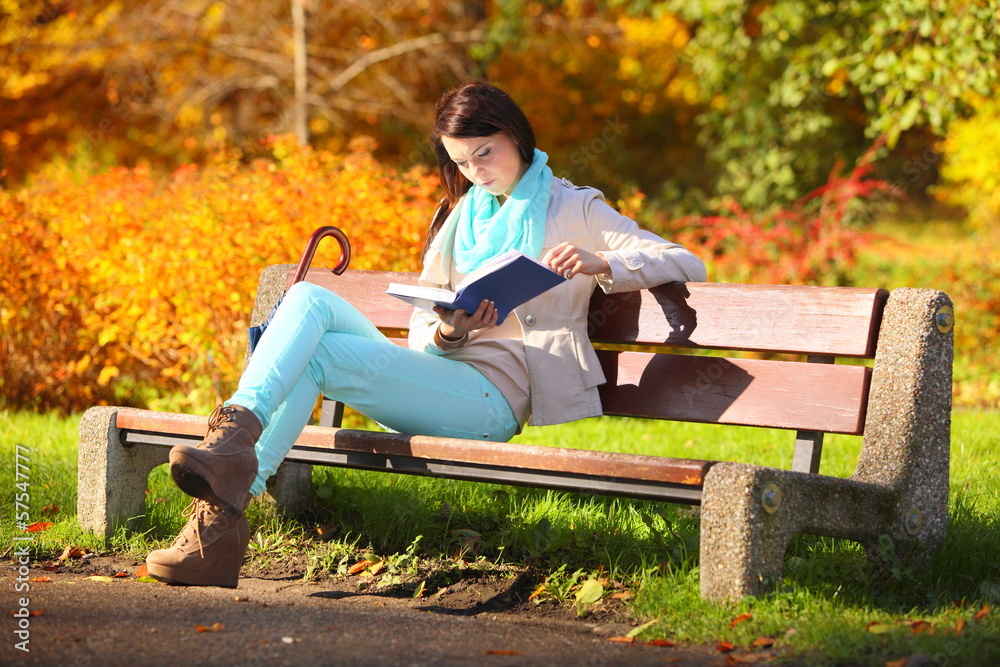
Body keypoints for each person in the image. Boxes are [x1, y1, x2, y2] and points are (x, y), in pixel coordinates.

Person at [145, 81, 707, 588]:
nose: (476, 171)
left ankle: (219, 516)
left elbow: (684, 259)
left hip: (493, 399)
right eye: (462, 162)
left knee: (320, 356)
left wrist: (597, 261)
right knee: (307, 298)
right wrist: (449, 329)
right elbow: (424, 327)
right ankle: (230, 450)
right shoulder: (461, 217)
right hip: (444, 373)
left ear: (515, 134)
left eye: (485, 153)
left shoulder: (573, 205)